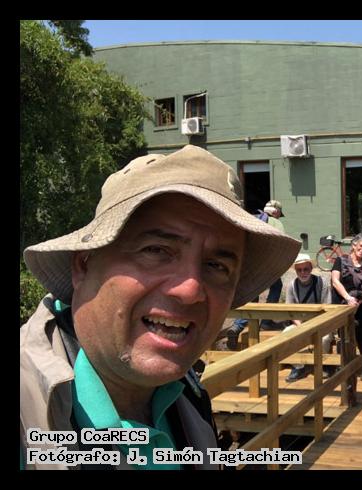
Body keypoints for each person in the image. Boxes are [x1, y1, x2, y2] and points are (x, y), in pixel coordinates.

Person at [20, 145, 300, 469]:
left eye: (217, 266)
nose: (190, 290)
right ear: (84, 264)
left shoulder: (187, 397)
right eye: (156, 250)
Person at [228, 198, 288, 341]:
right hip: (267, 263)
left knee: (252, 292)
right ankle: (266, 321)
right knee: (276, 286)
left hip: (249, 263)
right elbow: (281, 243)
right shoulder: (276, 223)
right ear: (276, 212)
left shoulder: (252, 218)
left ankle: (237, 326)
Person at [331, 234, 362, 381]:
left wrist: (359, 301)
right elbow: (335, 281)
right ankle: (344, 364)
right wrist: (348, 298)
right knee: (343, 336)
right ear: (354, 245)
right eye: (361, 246)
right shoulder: (340, 260)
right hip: (343, 304)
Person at [284, 254, 334, 382]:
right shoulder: (291, 286)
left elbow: (327, 308)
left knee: (324, 338)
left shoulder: (322, 283)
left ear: (311, 268)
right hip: (300, 323)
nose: (303, 272)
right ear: (295, 271)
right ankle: (298, 366)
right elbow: (290, 310)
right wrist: (301, 326)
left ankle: (322, 365)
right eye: (299, 270)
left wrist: (315, 326)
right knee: (286, 334)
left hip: (321, 322)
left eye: (306, 269)